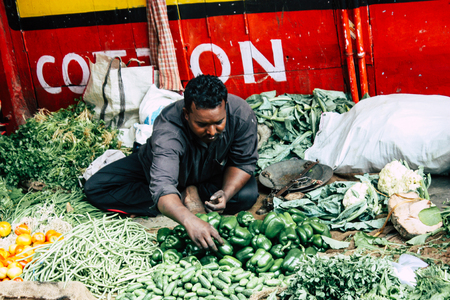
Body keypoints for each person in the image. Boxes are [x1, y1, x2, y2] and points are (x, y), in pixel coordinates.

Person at [84, 74, 259, 250]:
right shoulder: (168, 129)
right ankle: (180, 197)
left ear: (225, 107)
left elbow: (243, 162)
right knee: (96, 189)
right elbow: (163, 185)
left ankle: (190, 194)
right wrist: (189, 220)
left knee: (246, 195)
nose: (212, 132)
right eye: (202, 124)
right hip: (159, 168)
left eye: (219, 122)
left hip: (210, 172)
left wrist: (226, 194)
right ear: (186, 114)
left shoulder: (241, 114)